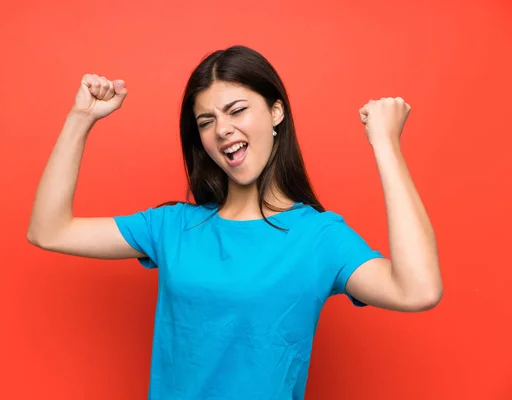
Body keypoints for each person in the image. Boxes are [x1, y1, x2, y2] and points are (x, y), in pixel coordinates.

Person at [27, 45, 443, 400]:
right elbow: (49, 230)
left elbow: (418, 290)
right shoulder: (172, 227)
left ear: (276, 111)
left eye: (236, 110)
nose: (222, 130)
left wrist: (386, 145)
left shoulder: (320, 237)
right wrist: (81, 118)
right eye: (206, 122)